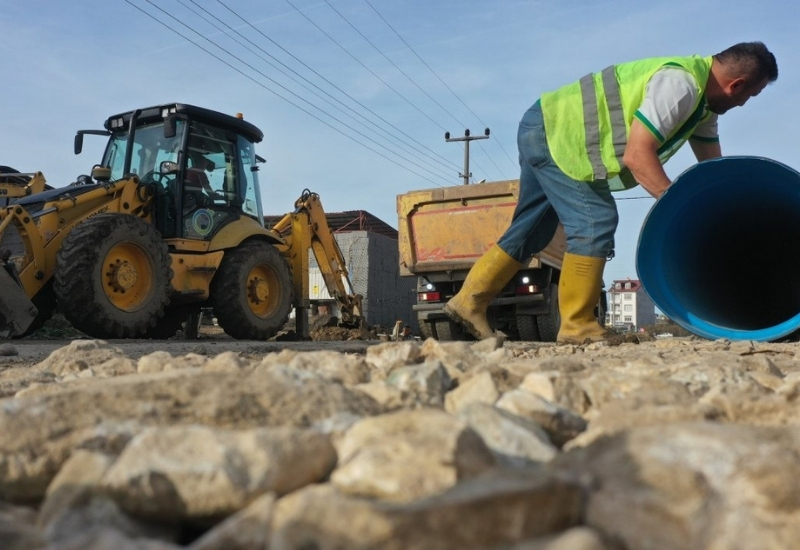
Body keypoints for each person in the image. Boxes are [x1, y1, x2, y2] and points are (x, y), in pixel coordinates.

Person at [444, 42, 778, 344]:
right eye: (750, 96)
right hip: (558, 133)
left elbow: (712, 170)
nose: (744, 104)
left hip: (544, 124)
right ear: (737, 86)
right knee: (596, 220)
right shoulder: (680, 85)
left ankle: (468, 301)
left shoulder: (702, 108)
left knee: (533, 228)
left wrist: (725, 215)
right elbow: (637, 156)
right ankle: (577, 325)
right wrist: (680, 209)